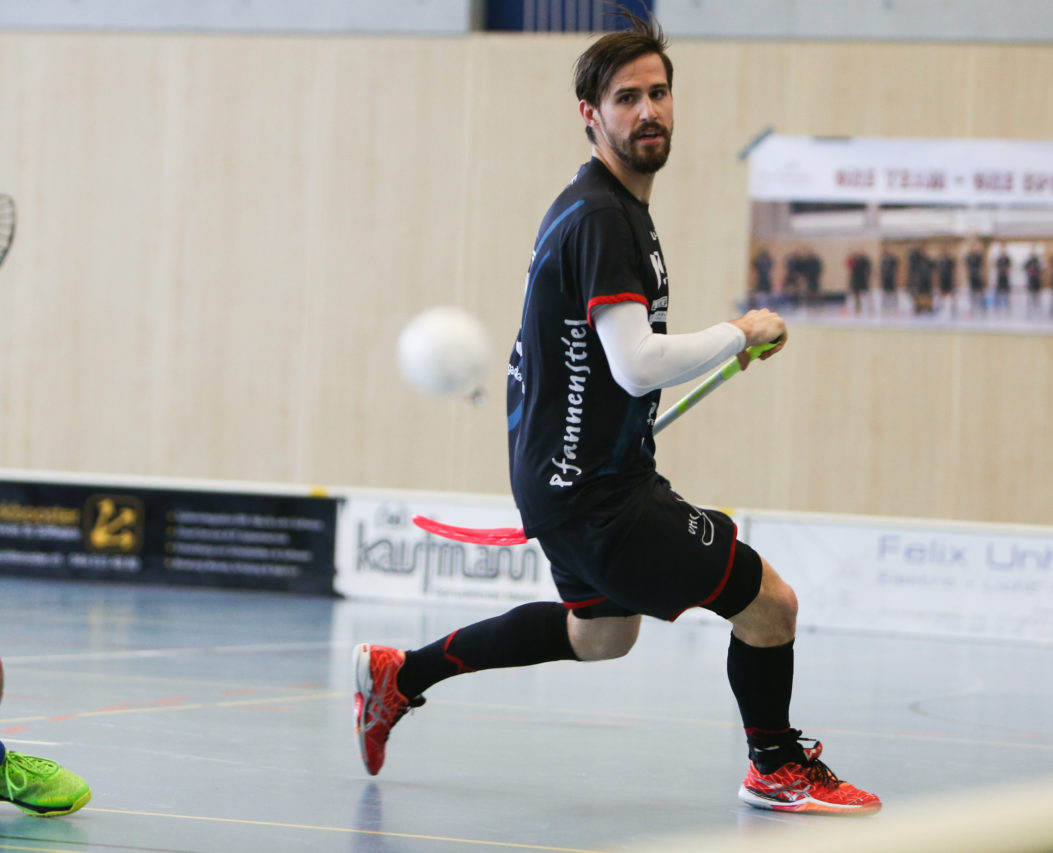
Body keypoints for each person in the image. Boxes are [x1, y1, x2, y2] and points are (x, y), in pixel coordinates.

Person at [351, 11, 880, 816]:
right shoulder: (604, 217)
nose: (648, 111)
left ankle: (401, 675)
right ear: (591, 115)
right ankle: (774, 765)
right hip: (600, 497)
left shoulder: (598, 204)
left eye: (659, 93)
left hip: (569, 482)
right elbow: (635, 362)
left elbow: (584, 361)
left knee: (600, 634)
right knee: (770, 605)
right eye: (627, 98)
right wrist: (738, 332)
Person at [965, 242, 985, 313]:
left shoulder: (979, 257)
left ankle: (981, 306)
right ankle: (973, 307)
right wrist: (967, 276)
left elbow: (982, 267)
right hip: (972, 276)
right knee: (972, 292)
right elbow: (967, 268)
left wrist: (982, 275)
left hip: (978, 276)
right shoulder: (968, 257)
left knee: (980, 291)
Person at [879, 246, 899, 314]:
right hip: (885, 278)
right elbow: (882, 270)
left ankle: (894, 305)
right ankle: (885, 306)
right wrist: (881, 278)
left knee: (892, 292)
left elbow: (896, 266)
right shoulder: (883, 259)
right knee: (885, 292)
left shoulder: (893, 259)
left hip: (891, 277)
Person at [992, 244, 1011, 313]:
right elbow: (995, 266)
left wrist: (1005, 270)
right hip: (999, 277)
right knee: (998, 292)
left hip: (1005, 277)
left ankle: (1007, 307)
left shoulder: (1007, 259)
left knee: (1006, 292)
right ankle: (997, 307)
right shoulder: (998, 259)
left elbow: (1009, 267)